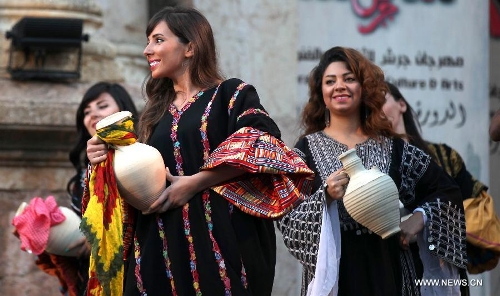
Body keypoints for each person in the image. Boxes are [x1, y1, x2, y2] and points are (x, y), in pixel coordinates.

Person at [85, 6, 313, 296]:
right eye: (147, 41)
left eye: (157, 40)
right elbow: (133, 182)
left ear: (190, 47)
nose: (146, 50)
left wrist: (195, 182)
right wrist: (103, 157)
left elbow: (262, 143)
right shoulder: (152, 114)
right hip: (160, 244)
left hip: (223, 239)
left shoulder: (232, 94)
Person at [277, 46, 467, 296]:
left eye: (349, 79)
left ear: (363, 87)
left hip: (389, 271)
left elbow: (446, 190)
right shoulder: (305, 152)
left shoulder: (393, 147)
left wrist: (417, 220)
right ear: (321, 93)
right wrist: (325, 196)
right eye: (330, 81)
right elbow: (286, 214)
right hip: (336, 276)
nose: (339, 86)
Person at [384, 81, 500, 294]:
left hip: (443, 277)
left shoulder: (444, 156)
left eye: (382, 99)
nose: (378, 110)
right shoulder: (371, 165)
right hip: (392, 276)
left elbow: (479, 215)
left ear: (401, 104)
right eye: (370, 106)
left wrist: (426, 218)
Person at [35, 82, 139, 296]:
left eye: (102, 106)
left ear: (123, 110)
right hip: (92, 274)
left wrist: (99, 237)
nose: (93, 115)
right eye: (87, 112)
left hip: (135, 270)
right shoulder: (84, 174)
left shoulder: (142, 156)